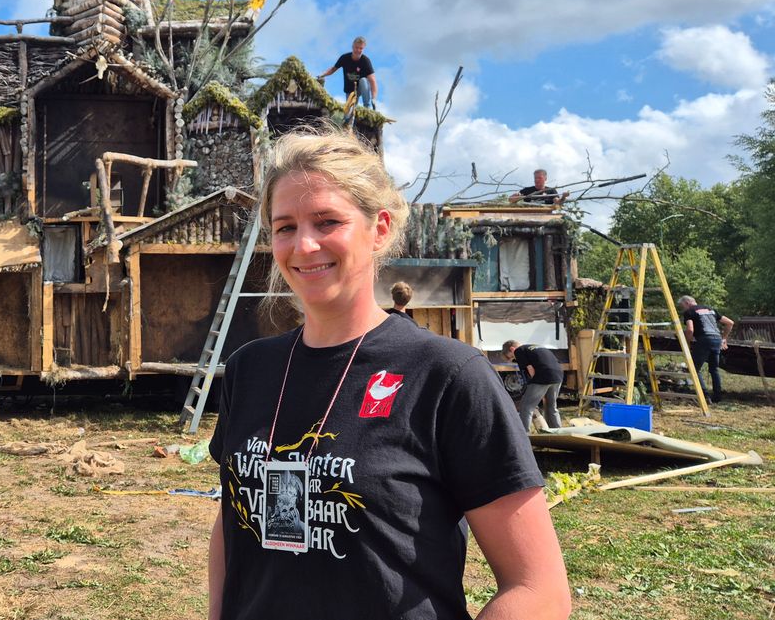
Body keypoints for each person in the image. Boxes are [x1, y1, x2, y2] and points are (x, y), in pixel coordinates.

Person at [207, 125, 569, 620]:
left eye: (327, 221)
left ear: (378, 229)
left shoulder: (447, 375)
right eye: (285, 226)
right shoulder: (250, 368)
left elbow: (538, 589)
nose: (304, 245)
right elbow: (233, 523)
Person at [678, 295, 734, 402]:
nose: (683, 309)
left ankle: (705, 395)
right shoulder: (710, 309)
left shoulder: (689, 312)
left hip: (703, 339)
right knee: (714, 369)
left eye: (682, 306)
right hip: (717, 339)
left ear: (687, 303)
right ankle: (717, 397)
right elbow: (730, 323)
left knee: (694, 368)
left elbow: (690, 330)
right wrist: (724, 339)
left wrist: (687, 343)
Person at [502, 340, 564, 432]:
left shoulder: (519, 350)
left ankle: (524, 435)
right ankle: (558, 433)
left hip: (543, 375)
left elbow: (531, 370)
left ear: (512, 349)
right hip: (558, 375)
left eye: (511, 357)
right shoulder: (535, 346)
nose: (513, 359)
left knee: (526, 407)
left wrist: (533, 387)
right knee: (551, 406)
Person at [318, 36, 378, 108]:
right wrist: (322, 75)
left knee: (364, 80)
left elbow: (372, 81)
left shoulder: (365, 61)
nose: (358, 50)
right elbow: (333, 69)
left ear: (363, 49)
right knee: (348, 113)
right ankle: (349, 116)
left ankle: (367, 107)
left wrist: (373, 98)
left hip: (361, 88)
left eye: (361, 48)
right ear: (352, 47)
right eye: (356, 47)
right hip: (349, 90)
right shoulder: (344, 58)